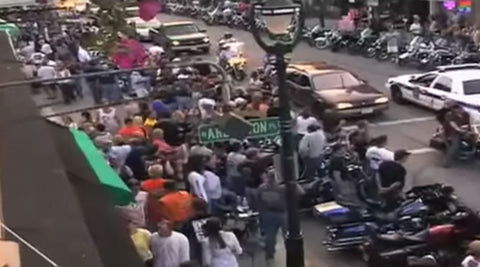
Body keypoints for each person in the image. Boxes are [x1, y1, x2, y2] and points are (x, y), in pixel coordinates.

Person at [257, 169, 303, 260]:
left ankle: (270, 254)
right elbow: (301, 192)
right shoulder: (282, 188)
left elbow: (259, 201)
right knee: (287, 235)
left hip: (268, 214)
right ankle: (291, 254)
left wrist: (261, 213)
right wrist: (292, 181)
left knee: (270, 235)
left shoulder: (261, 188)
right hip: (282, 214)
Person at [443, 103, 473, 168]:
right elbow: (453, 125)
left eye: (460, 108)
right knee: (455, 146)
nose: (460, 110)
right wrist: (459, 130)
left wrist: (470, 131)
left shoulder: (466, 114)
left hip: (464, 130)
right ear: (454, 110)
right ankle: (447, 162)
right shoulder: (449, 115)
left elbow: (468, 123)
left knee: (474, 139)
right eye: (458, 109)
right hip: (452, 132)